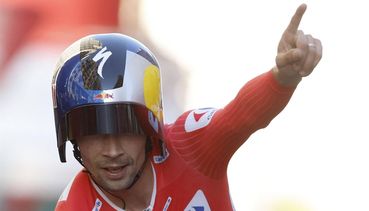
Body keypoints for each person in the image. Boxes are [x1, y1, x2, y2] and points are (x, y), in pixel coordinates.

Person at [52, 4, 322, 211]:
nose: (112, 150)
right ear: (71, 138)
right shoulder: (74, 205)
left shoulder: (192, 146)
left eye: (127, 127)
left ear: (152, 124)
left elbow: (243, 115)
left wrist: (285, 75)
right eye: (94, 132)